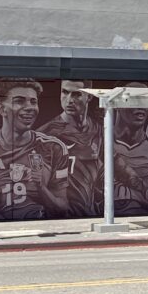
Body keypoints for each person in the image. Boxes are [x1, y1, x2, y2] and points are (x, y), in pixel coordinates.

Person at [0, 80, 69, 220]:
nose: (29, 107)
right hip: (3, 231)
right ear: (2, 109)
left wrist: (41, 188)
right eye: (19, 101)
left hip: (43, 230)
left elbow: (62, 209)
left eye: (33, 102)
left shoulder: (54, 148)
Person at [38, 80, 103, 217]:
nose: (69, 100)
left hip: (89, 214)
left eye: (77, 94)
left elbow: (115, 163)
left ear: (89, 97)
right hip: (59, 217)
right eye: (65, 92)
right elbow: (38, 185)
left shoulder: (98, 130)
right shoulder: (46, 135)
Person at [113, 84, 148, 215]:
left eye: (146, 100)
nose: (140, 106)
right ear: (116, 104)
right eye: (133, 99)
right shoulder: (98, 141)